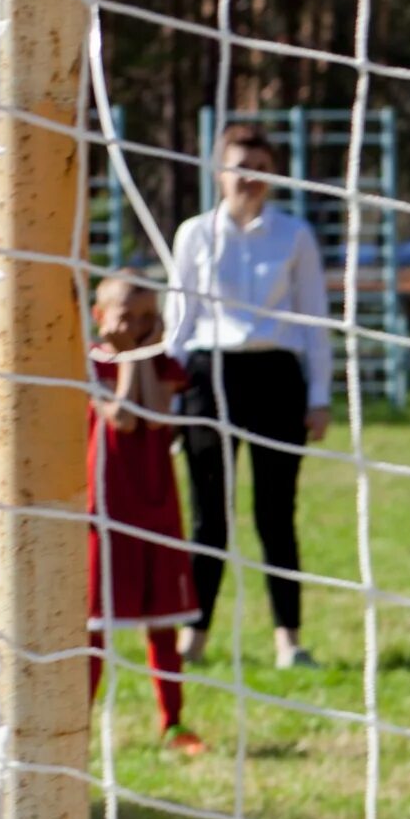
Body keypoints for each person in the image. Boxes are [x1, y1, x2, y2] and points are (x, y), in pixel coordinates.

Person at [165, 121, 332, 672]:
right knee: (208, 517)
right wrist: (166, 393)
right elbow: (180, 319)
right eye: (240, 166)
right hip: (209, 381)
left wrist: (319, 395)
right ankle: (196, 634)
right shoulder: (194, 234)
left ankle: (289, 638)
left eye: (259, 167)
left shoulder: (295, 236)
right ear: (220, 171)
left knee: (275, 514)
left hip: (276, 380)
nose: (248, 178)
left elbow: (313, 322)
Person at [86, 276, 206, 757]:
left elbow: (156, 416)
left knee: (163, 618)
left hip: (157, 501)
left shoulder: (163, 365)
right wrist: (128, 360)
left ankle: (173, 723)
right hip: (106, 504)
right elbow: (124, 418)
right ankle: (77, 722)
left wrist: (141, 357)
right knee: (94, 621)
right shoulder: (88, 363)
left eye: (146, 317)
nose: (135, 327)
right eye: (125, 316)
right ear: (100, 317)